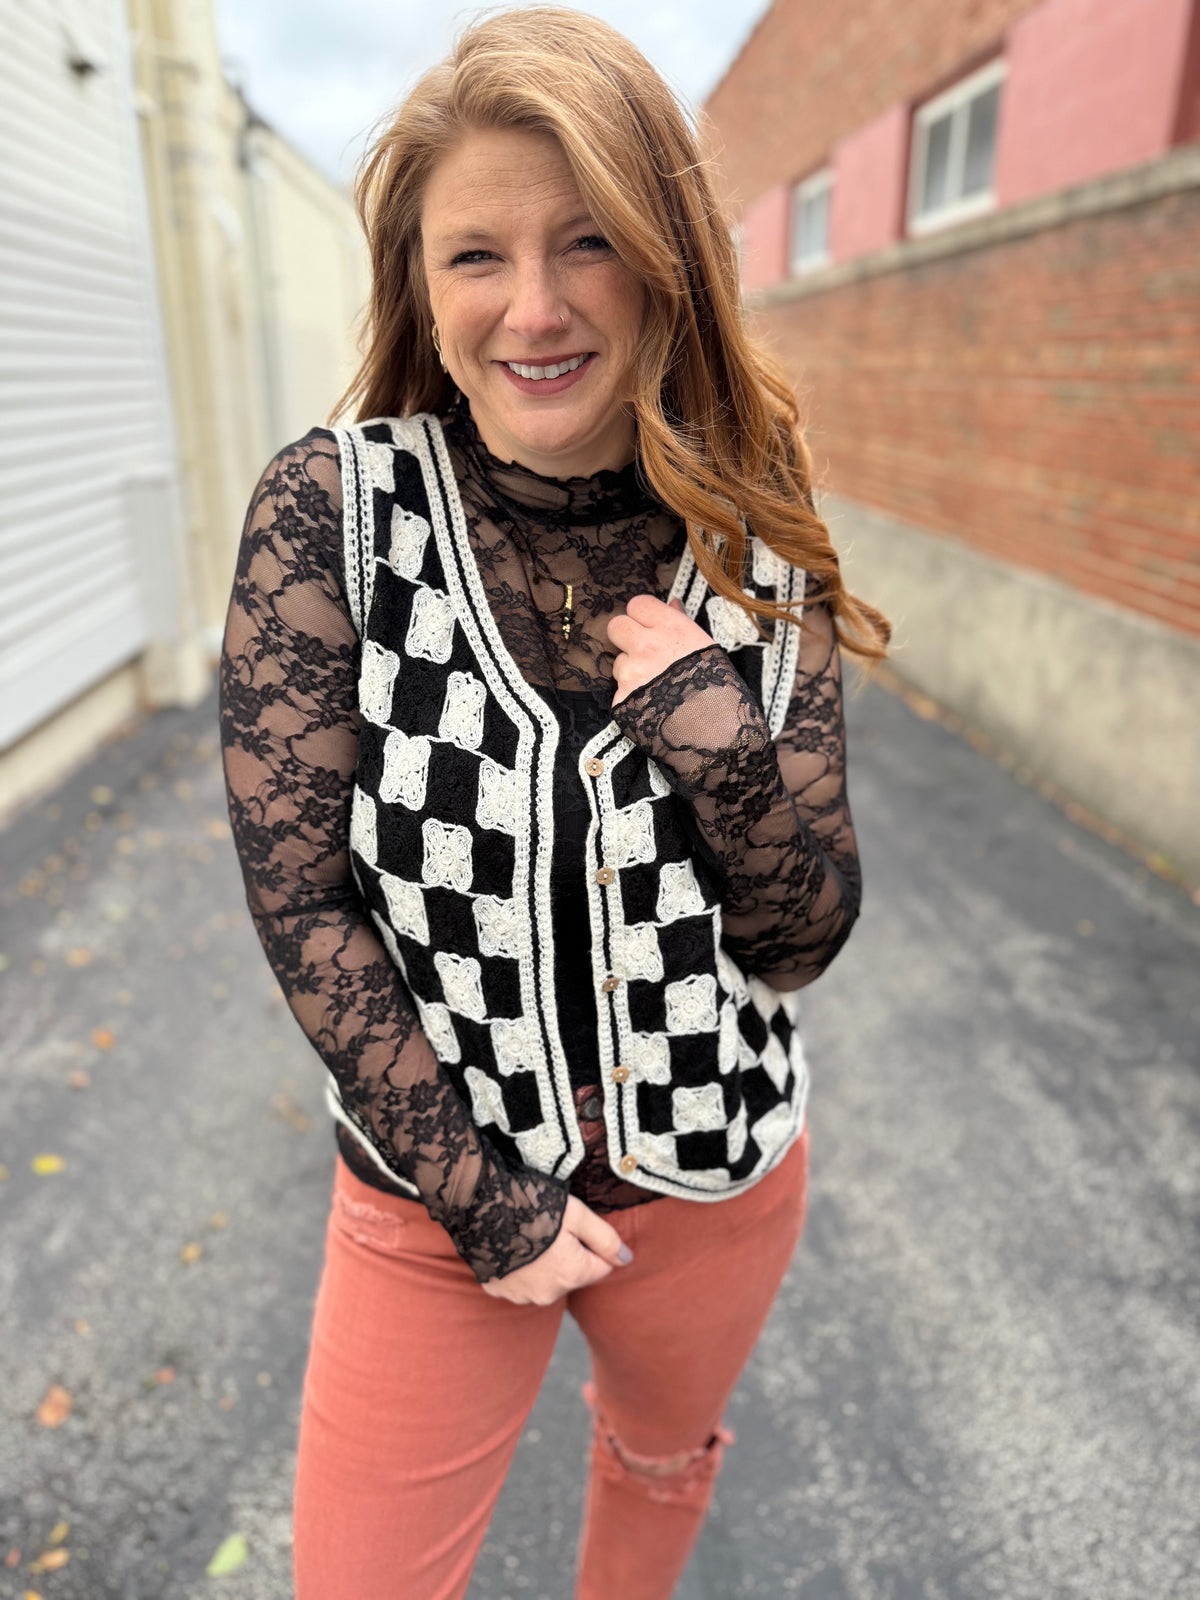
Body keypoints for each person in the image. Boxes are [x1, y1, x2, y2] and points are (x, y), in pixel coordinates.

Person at [219, 10, 889, 1598]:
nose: (533, 306)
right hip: (435, 1192)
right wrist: (486, 1201)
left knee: (657, 1467)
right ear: (421, 289)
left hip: (717, 1175)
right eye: (476, 257)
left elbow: (800, 944)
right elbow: (303, 903)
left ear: (664, 260)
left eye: (588, 240)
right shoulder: (337, 518)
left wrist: (719, 741)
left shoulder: (758, 532)